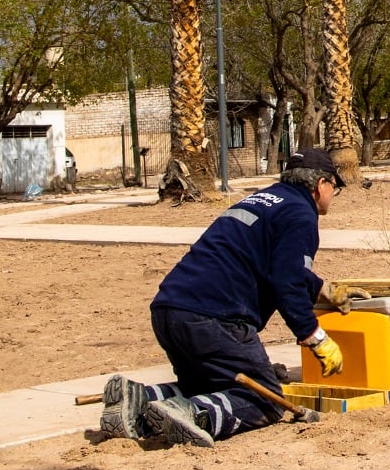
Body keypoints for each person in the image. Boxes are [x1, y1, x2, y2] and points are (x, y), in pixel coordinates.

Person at [99, 147, 362, 446]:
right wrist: (315, 338)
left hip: (169, 309)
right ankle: (195, 414)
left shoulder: (263, 200)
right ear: (320, 184)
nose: (332, 195)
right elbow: (285, 282)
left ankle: (138, 399)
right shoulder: (301, 214)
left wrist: (322, 289)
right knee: (266, 398)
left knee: (207, 385)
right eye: (334, 188)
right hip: (216, 318)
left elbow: (269, 261)